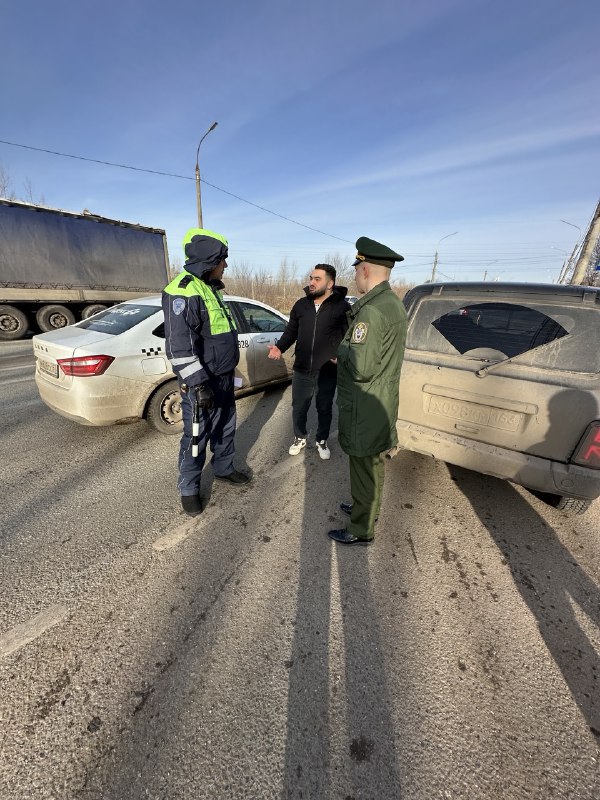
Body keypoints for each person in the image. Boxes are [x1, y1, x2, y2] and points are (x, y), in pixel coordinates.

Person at [162, 228, 250, 517]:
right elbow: (179, 347)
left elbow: (217, 337)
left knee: (226, 427)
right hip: (201, 383)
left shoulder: (210, 288)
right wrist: (199, 385)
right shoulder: (183, 290)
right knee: (196, 436)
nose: (226, 265)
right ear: (211, 260)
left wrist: (230, 369)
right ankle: (188, 489)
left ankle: (224, 469)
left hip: (222, 379)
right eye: (223, 260)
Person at [328, 237, 408, 545]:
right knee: (373, 463)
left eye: (357, 270)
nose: (355, 277)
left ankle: (361, 528)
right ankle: (366, 508)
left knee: (363, 465)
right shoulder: (392, 304)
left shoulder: (372, 312)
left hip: (365, 404)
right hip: (381, 400)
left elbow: (362, 367)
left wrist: (342, 353)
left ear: (365, 270)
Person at [267, 264, 350, 460]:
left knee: (324, 407)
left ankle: (321, 440)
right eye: (311, 278)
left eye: (317, 279)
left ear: (330, 284)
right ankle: (299, 437)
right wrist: (280, 347)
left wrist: (342, 354)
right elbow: (291, 332)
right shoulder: (301, 305)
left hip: (327, 368)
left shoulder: (342, 307)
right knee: (299, 406)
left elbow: (350, 336)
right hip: (302, 367)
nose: (311, 282)